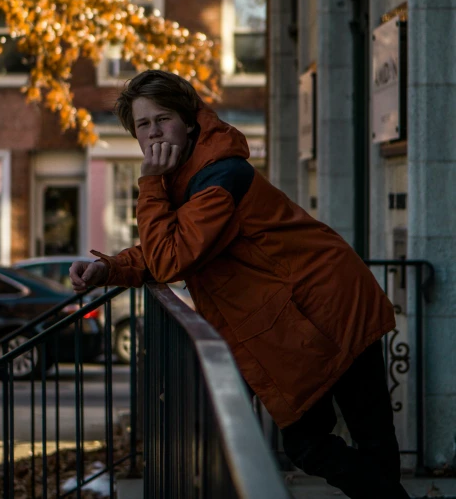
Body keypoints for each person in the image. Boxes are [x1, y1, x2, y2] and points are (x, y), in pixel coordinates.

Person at [69, 70, 409, 499]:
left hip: (330, 305)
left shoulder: (218, 177)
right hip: (313, 307)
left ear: (189, 120)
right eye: (143, 124)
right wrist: (109, 269)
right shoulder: (190, 174)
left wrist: (149, 183)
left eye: (163, 118)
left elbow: (172, 257)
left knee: (322, 442)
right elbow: (175, 244)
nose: (154, 132)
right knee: (356, 444)